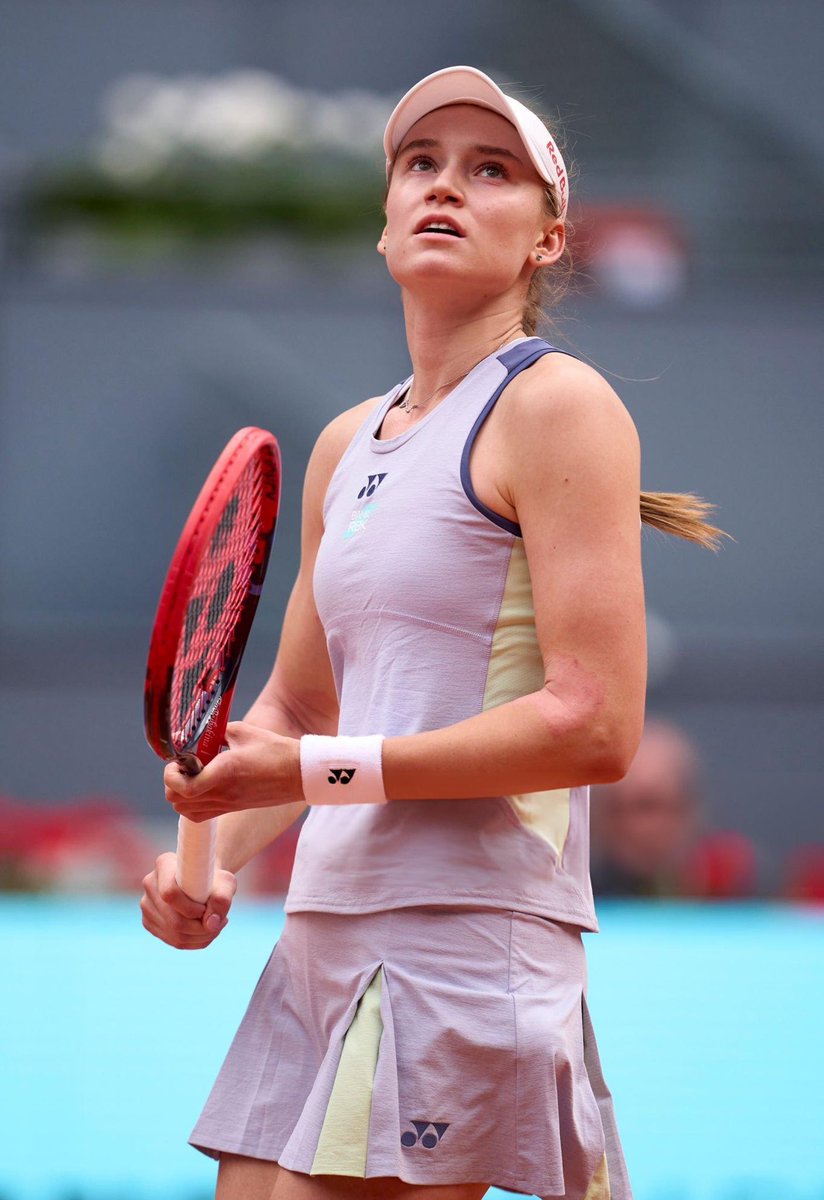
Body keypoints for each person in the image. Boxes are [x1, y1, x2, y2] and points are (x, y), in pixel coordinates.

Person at [140, 66, 725, 1200]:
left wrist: (309, 767)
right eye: (421, 164)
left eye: (489, 169)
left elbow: (592, 726)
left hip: (463, 936)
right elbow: (301, 709)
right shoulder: (346, 442)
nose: (445, 187)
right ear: (384, 221)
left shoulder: (559, 406)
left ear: (547, 241)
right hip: (322, 935)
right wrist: (209, 859)